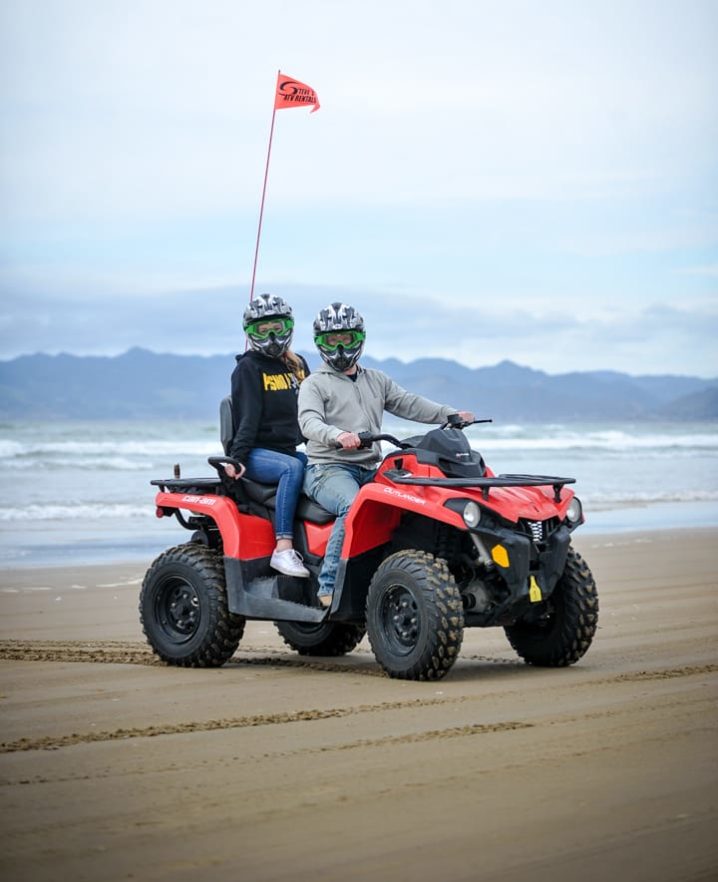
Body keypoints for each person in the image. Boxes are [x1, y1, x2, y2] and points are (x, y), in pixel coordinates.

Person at [298, 302, 474, 606]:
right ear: (319, 343)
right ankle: (329, 586)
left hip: (370, 467)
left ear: (360, 339)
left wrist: (450, 414)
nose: (340, 347)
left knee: (414, 501)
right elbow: (309, 422)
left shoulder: (375, 380)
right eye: (331, 340)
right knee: (353, 506)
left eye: (347, 338)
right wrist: (338, 436)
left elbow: (409, 403)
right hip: (328, 469)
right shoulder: (314, 383)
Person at [225, 293, 311, 578]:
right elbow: (247, 419)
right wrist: (236, 460)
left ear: (289, 327)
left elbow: (311, 415)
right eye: (263, 329)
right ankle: (283, 548)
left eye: (278, 326)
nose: (272, 334)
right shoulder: (248, 368)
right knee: (292, 467)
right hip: (256, 453)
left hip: (288, 449)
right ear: (250, 333)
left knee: (322, 469)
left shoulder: (298, 366)